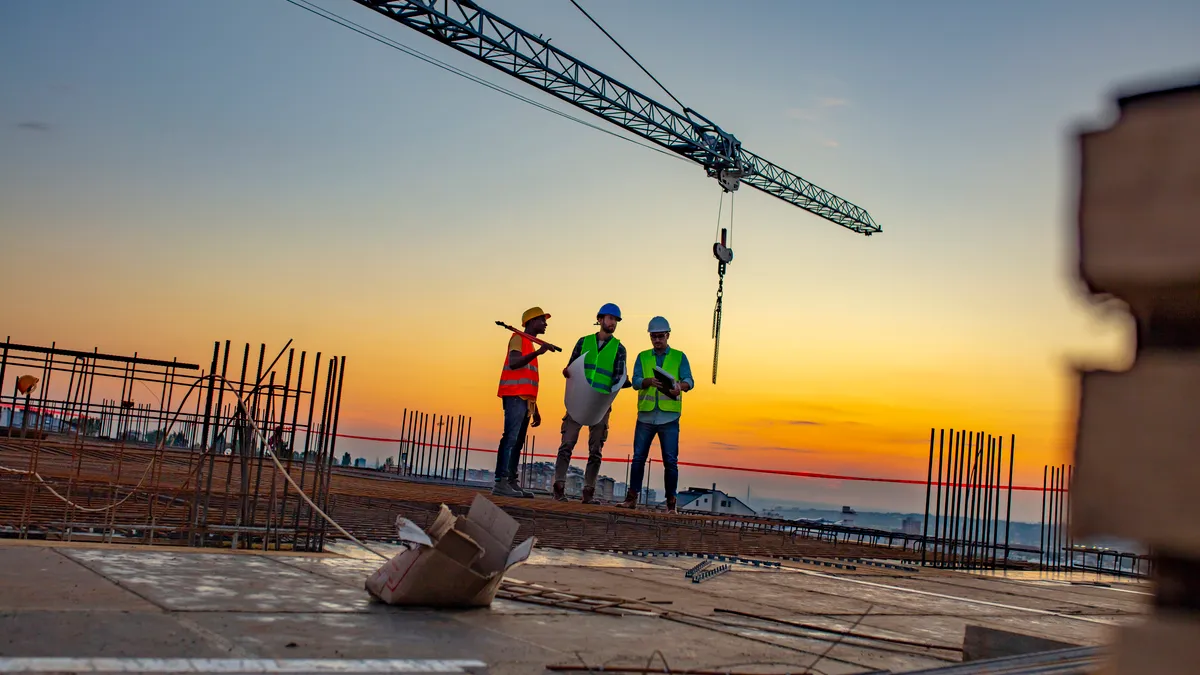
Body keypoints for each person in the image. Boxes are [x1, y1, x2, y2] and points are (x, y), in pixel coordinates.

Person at [552, 303, 631, 503]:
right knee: (566, 444)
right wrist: (566, 371)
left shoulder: (619, 349)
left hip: (600, 404)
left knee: (595, 450)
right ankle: (558, 486)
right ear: (600, 319)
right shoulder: (583, 342)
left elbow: (619, 377)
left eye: (615, 320)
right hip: (578, 400)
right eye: (610, 318)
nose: (612, 322)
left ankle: (589, 491)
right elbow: (571, 366)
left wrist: (620, 384)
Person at [617, 316, 694, 513]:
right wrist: (648, 382)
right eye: (654, 337)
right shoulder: (643, 357)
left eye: (660, 336)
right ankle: (632, 498)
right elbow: (635, 382)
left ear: (668, 335)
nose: (657, 340)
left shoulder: (679, 356)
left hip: (669, 417)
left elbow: (689, 381)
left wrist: (679, 387)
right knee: (638, 458)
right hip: (646, 416)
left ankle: (671, 504)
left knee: (670, 461)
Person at [494, 306, 553, 498]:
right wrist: (538, 353)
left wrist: (535, 408)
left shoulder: (530, 343)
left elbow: (528, 381)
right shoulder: (518, 339)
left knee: (518, 442)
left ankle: (511, 481)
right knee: (510, 439)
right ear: (531, 322)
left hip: (525, 401)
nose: (545, 324)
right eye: (542, 320)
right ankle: (501, 482)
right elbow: (514, 362)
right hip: (514, 397)